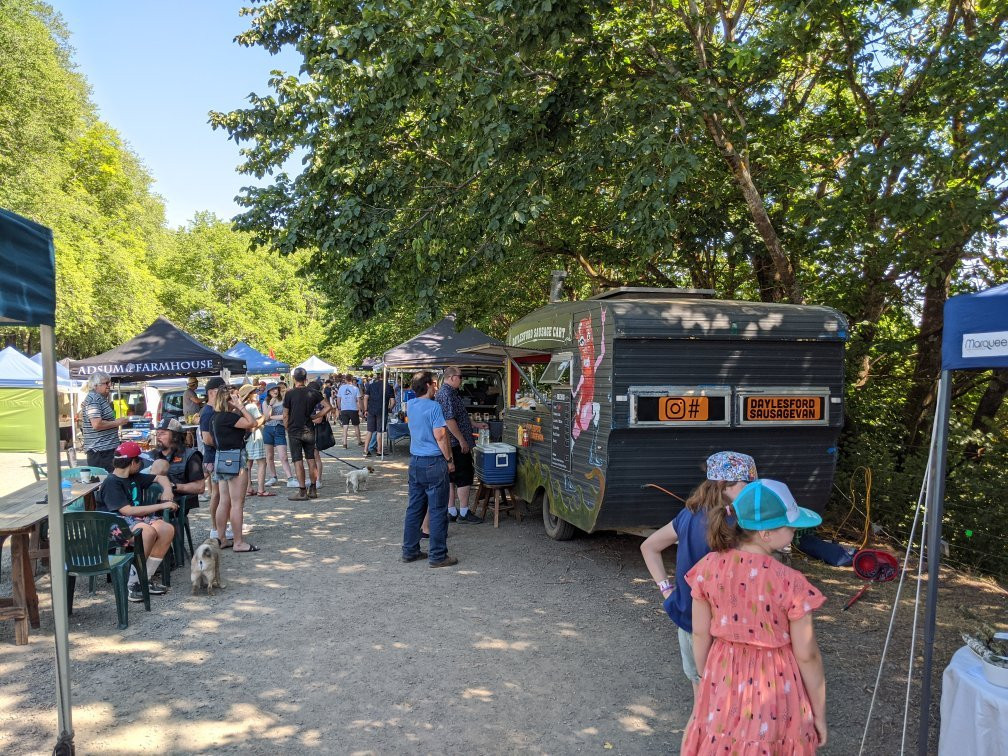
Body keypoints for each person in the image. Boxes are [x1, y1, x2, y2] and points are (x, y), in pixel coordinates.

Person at [681, 479, 827, 754]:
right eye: (789, 525)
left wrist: (706, 678)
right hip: (774, 681)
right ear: (766, 534)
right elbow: (807, 654)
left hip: (722, 673)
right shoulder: (790, 582)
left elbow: (700, 633)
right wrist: (818, 713)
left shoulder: (708, 568)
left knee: (721, 740)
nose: (794, 530)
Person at [639, 451, 757, 717]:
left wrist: (667, 590)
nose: (751, 489)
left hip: (689, 621)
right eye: (746, 484)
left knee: (702, 700)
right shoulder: (735, 524)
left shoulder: (689, 515)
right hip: (725, 628)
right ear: (724, 485)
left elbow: (649, 547)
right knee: (727, 704)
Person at [95, 441, 178, 602]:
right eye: (139, 461)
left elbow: (160, 477)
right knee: (146, 532)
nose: (141, 464)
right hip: (115, 525)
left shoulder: (134, 476)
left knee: (166, 529)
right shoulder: (111, 482)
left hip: (136, 520)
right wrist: (162, 505)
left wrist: (167, 490)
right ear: (133, 462)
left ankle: (144, 578)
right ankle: (133, 584)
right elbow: (127, 511)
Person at [401, 371, 458, 568]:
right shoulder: (434, 407)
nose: (436, 387)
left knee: (414, 508)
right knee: (437, 510)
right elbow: (441, 437)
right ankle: (438, 555)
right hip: (433, 461)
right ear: (427, 385)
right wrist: (449, 460)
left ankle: (410, 550)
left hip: (415, 461)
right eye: (433, 383)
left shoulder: (411, 405)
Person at [210, 385, 258, 552]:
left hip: (221, 456)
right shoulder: (229, 417)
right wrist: (241, 407)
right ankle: (238, 542)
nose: (239, 399)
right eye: (235, 397)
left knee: (225, 501)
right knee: (238, 503)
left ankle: (221, 538)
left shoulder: (216, 417)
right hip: (235, 457)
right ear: (227, 399)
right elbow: (252, 422)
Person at [435, 366, 481, 523]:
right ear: (452, 377)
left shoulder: (449, 392)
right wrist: (462, 440)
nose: (462, 380)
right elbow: (449, 420)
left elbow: (459, 416)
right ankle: (463, 512)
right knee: (464, 476)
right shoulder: (447, 393)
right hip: (455, 443)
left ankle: (452, 511)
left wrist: (475, 424)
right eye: (461, 377)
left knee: (451, 478)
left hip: (451, 442)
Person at [283, 367, 330, 501]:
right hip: (309, 429)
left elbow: (285, 414)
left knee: (298, 461)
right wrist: (316, 416)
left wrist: (287, 427)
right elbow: (328, 407)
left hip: (294, 430)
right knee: (311, 460)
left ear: (294, 379)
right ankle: (313, 488)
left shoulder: (289, 393)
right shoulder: (313, 392)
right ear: (306, 379)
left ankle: (302, 491)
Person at [147, 416, 205, 521]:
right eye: (157, 433)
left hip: (175, 501)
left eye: (163, 433)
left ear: (175, 437)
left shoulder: (190, 455)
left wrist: (172, 487)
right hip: (148, 501)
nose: (158, 436)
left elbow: (200, 487)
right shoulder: (150, 455)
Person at [80, 371, 131, 471]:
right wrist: (118, 422)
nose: (109, 385)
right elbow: (96, 424)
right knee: (106, 482)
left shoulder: (99, 398)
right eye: (106, 383)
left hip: (105, 450)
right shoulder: (94, 399)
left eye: (110, 383)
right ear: (95, 386)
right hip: (101, 452)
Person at [199, 377, 228, 542]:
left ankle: (221, 526)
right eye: (221, 390)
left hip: (217, 455)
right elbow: (206, 438)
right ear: (211, 392)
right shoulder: (208, 412)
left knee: (221, 494)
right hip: (213, 456)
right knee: (217, 494)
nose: (224, 393)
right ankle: (215, 528)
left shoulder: (215, 410)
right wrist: (224, 443)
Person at [261, 383, 297, 488]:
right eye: (272, 390)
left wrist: (272, 417)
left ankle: (290, 478)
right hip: (268, 429)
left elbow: (285, 416)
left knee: (283, 456)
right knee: (269, 456)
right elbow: (266, 418)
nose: (275, 391)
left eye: (276, 389)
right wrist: (270, 405)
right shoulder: (265, 402)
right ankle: (273, 476)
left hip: (279, 428)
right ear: (268, 392)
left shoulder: (283, 401)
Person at [240, 384, 271, 497]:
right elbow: (258, 421)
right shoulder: (252, 407)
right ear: (249, 395)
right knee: (262, 463)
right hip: (255, 436)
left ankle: (248, 488)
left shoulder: (242, 406)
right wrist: (265, 416)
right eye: (254, 392)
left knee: (248, 464)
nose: (257, 393)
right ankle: (261, 489)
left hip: (247, 438)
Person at [363, 373, 395, 457]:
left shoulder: (371, 385)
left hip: (371, 410)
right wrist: (389, 408)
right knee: (380, 431)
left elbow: (365, 398)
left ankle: (365, 449)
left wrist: (365, 409)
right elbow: (393, 402)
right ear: (387, 377)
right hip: (382, 411)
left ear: (379, 377)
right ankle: (379, 451)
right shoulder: (389, 387)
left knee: (369, 430)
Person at [336, 374, 363, 448]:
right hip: (353, 409)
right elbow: (359, 400)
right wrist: (361, 409)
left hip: (344, 409)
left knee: (345, 427)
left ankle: (344, 443)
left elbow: (338, 399)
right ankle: (359, 441)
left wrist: (339, 408)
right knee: (356, 426)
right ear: (352, 379)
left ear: (345, 379)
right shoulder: (355, 388)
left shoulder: (341, 388)